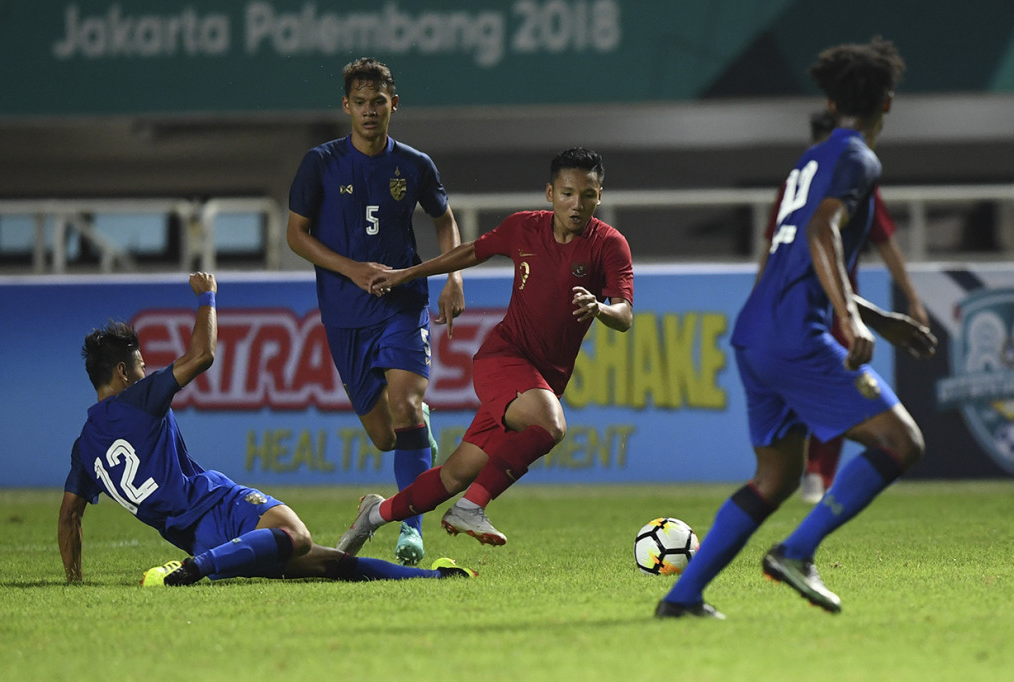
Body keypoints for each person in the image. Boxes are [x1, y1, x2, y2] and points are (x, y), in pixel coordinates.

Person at [656, 37, 937, 619]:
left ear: (831, 104)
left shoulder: (808, 161)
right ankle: (797, 551)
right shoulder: (859, 158)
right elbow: (821, 234)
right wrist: (853, 318)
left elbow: (800, 258)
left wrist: (880, 320)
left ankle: (682, 597)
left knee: (774, 478)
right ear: (887, 102)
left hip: (756, 332)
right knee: (901, 441)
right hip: (793, 335)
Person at [57, 272, 475, 586]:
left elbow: (69, 518)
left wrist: (74, 580)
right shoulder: (138, 399)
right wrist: (207, 295)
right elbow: (202, 355)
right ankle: (192, 571)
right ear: (122, 373)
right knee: (294, 534)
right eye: (141, 365)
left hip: (195, 536)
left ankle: (436, 579)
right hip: (217, 504)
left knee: (326, 562)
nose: (146, 370)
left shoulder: (84, 449)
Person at [335, 147, 634, 556]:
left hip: (542, 381)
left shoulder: (610, 245)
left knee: (454, 475)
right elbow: (469, 251)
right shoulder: (524, 228)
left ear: (599, 196)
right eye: (567, 193)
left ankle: (374, 514)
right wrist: (409, 274)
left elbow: (624, 314)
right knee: (551, 426)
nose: (576, 204)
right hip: (503, 359)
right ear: (550, 193)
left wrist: (600, 307)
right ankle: (472, 507)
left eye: (587, 195)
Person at [286, 57, 466, 565]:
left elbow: (444, 219)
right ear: (347, 106)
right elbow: (295, 235)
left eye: (378, 102)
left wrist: (453, 276)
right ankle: (417, 432)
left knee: (406, 405)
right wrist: (350, 268)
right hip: (345, 312)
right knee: (387, 437)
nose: (369, 111)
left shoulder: (414, 165)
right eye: (360, 103)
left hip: (403, 304)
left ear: (394, 104)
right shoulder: (319, 163)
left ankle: (412, 531)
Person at [762, 109, 930, 504]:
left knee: (835, 383)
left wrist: (910, 297)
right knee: (840, 392)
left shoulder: (807, 183)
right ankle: (812, 476)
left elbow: (884, 240)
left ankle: (818, 474)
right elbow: (779, 249)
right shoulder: (811, 183)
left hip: (831, 306)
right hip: (824, 308)